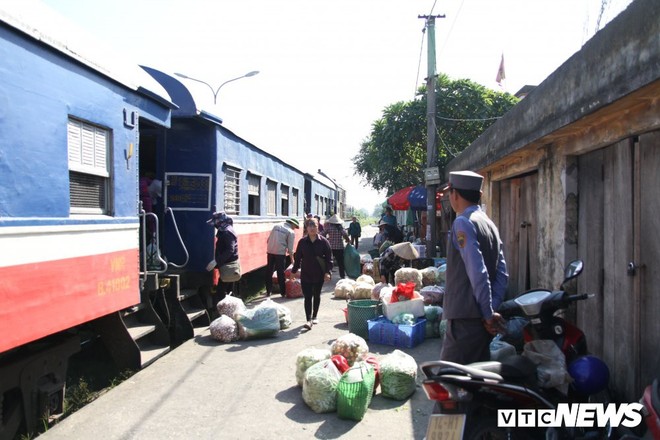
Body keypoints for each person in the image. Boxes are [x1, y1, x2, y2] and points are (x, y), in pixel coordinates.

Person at [441, 170, 508, 365]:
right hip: (482, 321)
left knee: (449, 381)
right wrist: (490, 310)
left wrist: (487, 314)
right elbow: (502, 274)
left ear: (454, 194)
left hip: (465, 319)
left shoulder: (463, 222)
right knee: (477, 381)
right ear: (479, 195)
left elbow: (478, 271)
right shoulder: (489, 224)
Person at [290, 218, 333, 330]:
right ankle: (308, 320)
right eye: (310, 226)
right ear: (306, 228)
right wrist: (294, 271)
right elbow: (298, 258)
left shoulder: (324, 242)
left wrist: (327, 272)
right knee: (307, 297)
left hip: (319, 274)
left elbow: (329, 258)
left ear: (318, 227)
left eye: (314, 226)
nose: (312, 228)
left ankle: (314, 316)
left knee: (317, 295)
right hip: (306, 274)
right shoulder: (302, 242)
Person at [207, 212, 239, 305]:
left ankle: (223, 313)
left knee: (221, 292)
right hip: (228, 264)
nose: (215, 226)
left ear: (220, 222)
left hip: (229, 266)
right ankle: (229, 312)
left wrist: (217, 261)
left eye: (216, 223)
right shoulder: (225, 230)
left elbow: (230, 250)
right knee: (228, 291)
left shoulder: (227, 232)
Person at [265, 218, 299, 297]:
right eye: (295, 227)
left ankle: (268, 291)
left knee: (269, 271)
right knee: (280, 273)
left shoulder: (276, 226)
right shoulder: (290, 232)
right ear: (293, 224)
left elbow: (268, 240)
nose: (295, 228)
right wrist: (292, 260)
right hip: (280, 253)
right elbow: (290, 249)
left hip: (270, 251)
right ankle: (283, 292)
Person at [322, 214, 350, 279]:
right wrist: (347, 240)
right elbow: (345, 235)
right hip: (339, 248)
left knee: (329, 262)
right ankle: (342, 276)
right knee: (341, 263)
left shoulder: (329, 227)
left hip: (330, 248)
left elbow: (322, 234)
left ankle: (328, 275)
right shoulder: (340, 228)